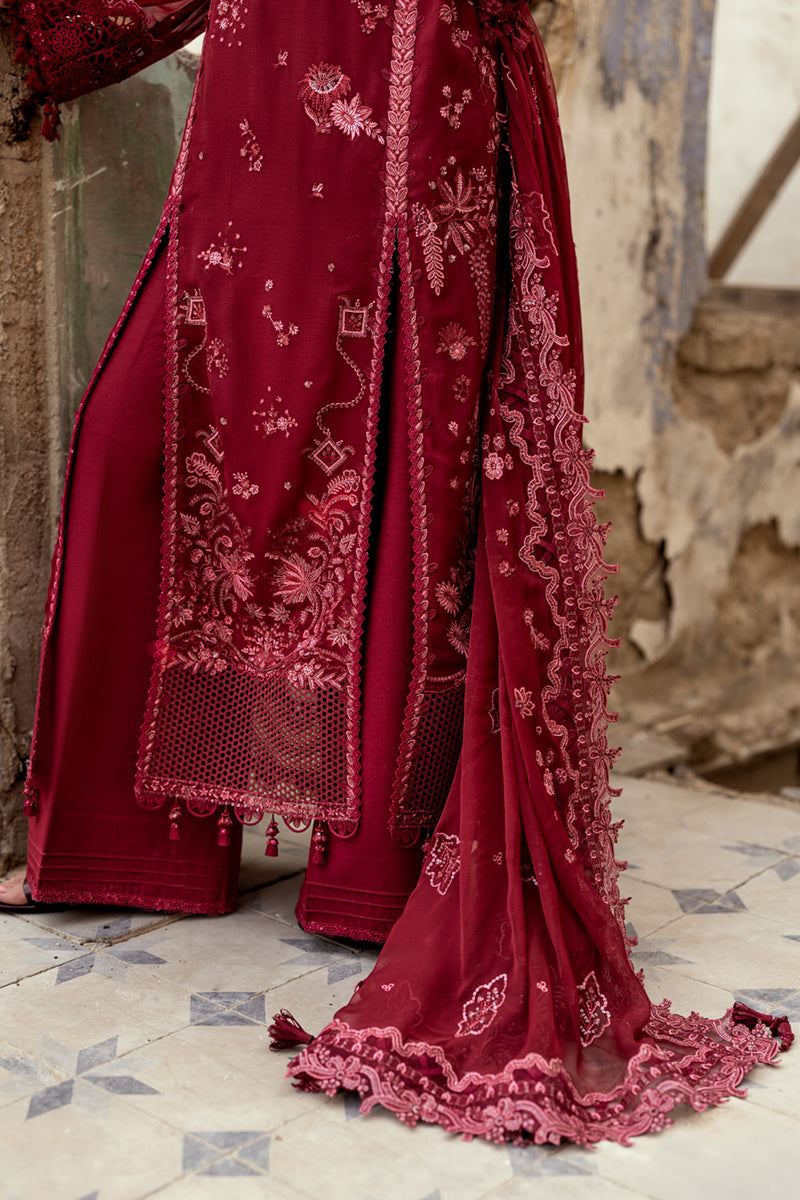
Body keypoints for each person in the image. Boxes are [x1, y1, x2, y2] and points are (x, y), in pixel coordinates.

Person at [0, 0, 791, 1145]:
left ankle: (372, 871)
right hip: (258, 85)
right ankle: (118, 842)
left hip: (417, 88)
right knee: (137, 431)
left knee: (401, 470)